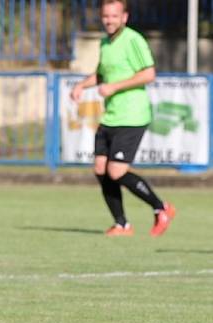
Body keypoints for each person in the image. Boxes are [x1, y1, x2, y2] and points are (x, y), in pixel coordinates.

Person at [70, 0, 176, 237]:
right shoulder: (105, 43)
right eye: (106, 16)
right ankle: (122, 224)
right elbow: (101, 75)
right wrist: (81, 86)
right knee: (100, 168)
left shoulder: (133, 40)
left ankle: (161, 207)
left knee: (116, 171)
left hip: (132, 115)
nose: (109, 20)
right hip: (111, 116)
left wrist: (115, 87)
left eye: (114, 16)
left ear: (124, 17)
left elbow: (149, 73)